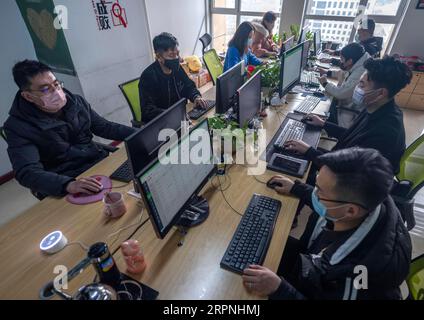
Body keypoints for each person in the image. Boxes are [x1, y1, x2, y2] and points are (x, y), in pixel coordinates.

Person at [242, 148, 412, 300]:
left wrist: (280, 290)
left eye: (319, 191)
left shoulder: (356, 279)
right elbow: (332, 200)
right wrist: (297, 188)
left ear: (350, 211)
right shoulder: (373, 199)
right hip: (315, 264)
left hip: (322, 284)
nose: (315, 194)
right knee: (260, 236)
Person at [4, 60, 136, 199]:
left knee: (133, 193)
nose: (56, 91)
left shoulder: (76, 102)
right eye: (45, 89)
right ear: (28, 96)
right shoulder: (17, 127)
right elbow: (27, 171)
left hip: (98, 165)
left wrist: (140, 134)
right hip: (65, 182)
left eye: (56, 84)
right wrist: (68, 184)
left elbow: (105, 127)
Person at [286, 56, 412, 175]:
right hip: (343, 163)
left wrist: (309, 152)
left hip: (349, 188)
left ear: (381, 93)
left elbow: (345, 172)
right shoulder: (378, 108)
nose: (357, 88)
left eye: (362, 84)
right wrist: (324, 124)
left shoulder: (385, 133)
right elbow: (354, 136)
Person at [139, 32, 208, 124]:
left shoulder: (177, 69)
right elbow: (148, 110)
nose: (177, 58)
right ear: (159, 56)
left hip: (181, 118)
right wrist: (173, 116)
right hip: (160, 124)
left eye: (177, 54)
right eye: (172, 55)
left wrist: (196, 97)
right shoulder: (149, 76)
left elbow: (189, 86)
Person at [317, 43, 370, 128]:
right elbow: (344, 72)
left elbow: (341, 93)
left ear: (350, 61)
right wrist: (328, 72)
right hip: (349, 105)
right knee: (323, 99)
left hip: (349, 113)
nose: (340, 61)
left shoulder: (360, 72)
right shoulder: (360, 61)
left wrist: (325, 83)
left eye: (341, 59)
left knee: (319, 105)